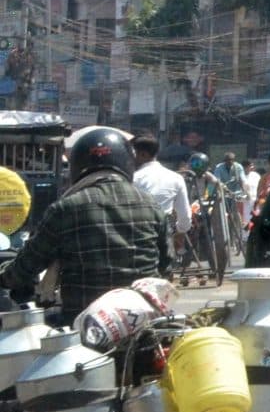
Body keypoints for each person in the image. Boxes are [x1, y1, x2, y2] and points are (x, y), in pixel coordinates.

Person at [1, 127, 171, 323]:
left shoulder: (65, 208)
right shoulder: (151, 205)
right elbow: (166, 264)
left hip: (82, 324)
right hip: (145, 321)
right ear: (127, 164)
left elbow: (27, 266)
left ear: (77, 166)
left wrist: (5, 277)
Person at [128, 133, 191, 264]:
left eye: (133, 153)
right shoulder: (176, 178)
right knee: (165, 274)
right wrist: (180, 232)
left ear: (143, 154)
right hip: (165, 233)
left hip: (138, 235)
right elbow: (185, 216)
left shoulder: (133, 179)